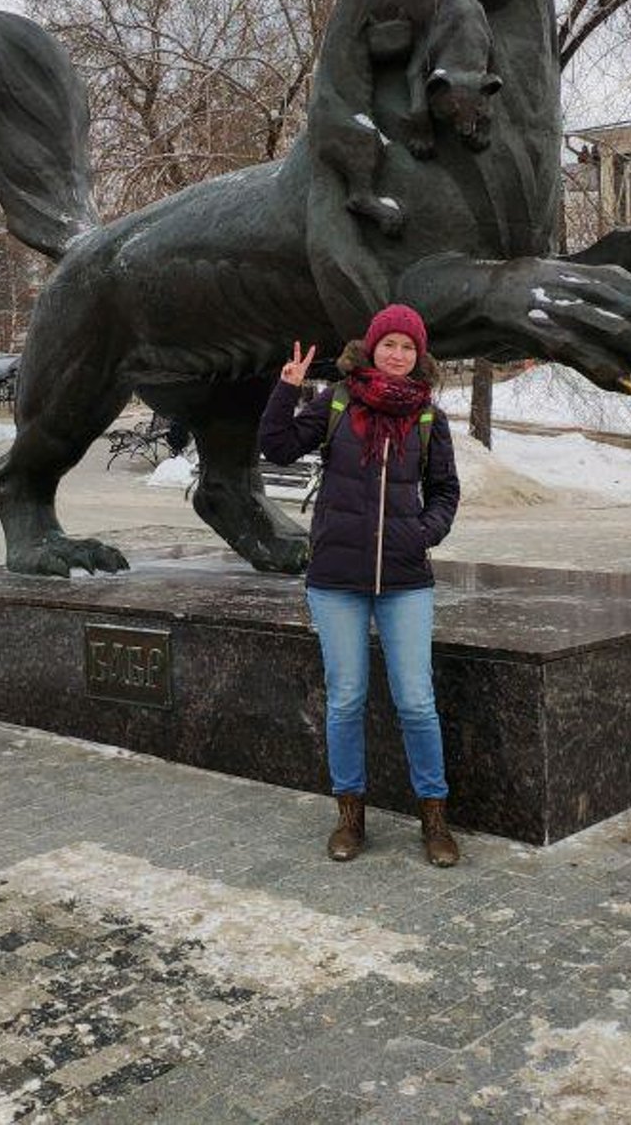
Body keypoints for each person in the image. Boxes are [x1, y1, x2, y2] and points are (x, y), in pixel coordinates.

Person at [259, 303, 463, 866]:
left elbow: (445, 491)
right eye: (388, 344)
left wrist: (422, 533)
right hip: (336, 580)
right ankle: (350, 818)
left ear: (418, 357)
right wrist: (287, 390)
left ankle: (434, 818)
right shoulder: (339, 402)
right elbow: (277, 447)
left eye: (407, 347)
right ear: (370, 348)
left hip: (405, 581)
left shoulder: (428, 418)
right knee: (346, 699)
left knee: (417, 701)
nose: (396, 355)